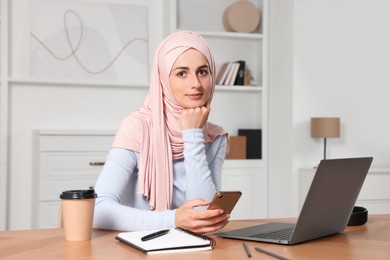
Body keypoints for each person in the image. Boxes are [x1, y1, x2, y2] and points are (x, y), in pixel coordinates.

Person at [93, 31, 229, 234]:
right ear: (163, 79)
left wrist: (193, 134)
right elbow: (98, 210)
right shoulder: (138, 127)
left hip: (192, 248)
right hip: (139, 246)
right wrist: (174, 219)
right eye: (181, 73)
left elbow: (204, 214)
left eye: (202, 72)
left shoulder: (215, 137)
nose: (196, 84)